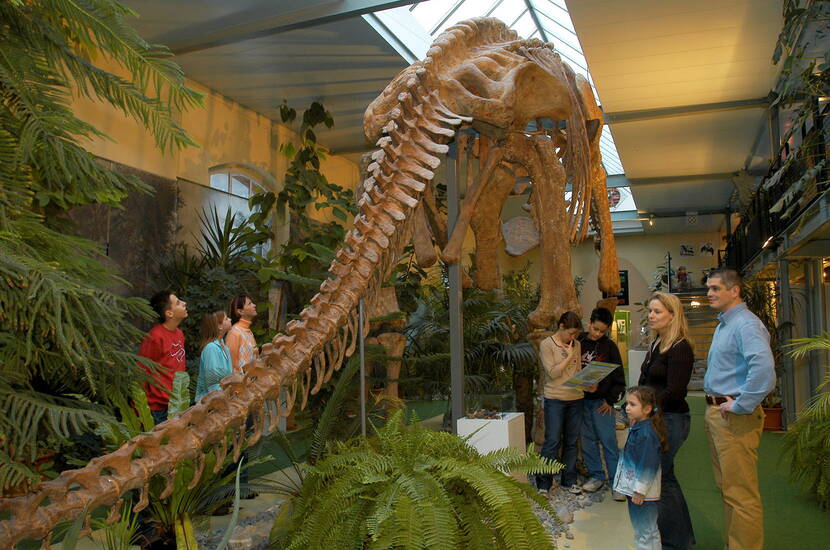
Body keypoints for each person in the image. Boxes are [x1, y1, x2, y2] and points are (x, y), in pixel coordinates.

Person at [705, 268, 775, 550]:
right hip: (719, 415)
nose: (709, 293)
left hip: (733, 417)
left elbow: (764, 371)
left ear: (734, 290)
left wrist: (742, 404)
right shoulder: (725, 324)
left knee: (741, 494)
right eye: (708, 288)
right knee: (728, 490)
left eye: (715, 289)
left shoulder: (746, 324)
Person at [639, 292, 696, 549]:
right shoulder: (656, 344)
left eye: (657, 311)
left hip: (671, 419)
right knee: (666, 477)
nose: (651, 315)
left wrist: (646, 409)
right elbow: (645, 383)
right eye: (650, 311)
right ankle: (681, 539)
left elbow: (675, 391)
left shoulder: (680, 346)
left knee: (661, 478)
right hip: (655, 418)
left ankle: (674, 542)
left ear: (672, 315)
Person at [578, 307, 626, 500]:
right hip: (580, 402)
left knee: (609, 442)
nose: (597, 333)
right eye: (595, 328)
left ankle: (617, 483)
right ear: (589, 322)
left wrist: (610, 400)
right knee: (587, 441)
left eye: (602, 331)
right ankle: (596, 476)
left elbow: (619, 379)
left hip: (602, 403)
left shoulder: (610, 347)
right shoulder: (578, 341)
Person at [614, 386, 667, 550]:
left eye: (632, 404)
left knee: (647, 531)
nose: (627, 408)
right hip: (635, 491)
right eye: (627, 403)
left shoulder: (646, 434)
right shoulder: (638, 428)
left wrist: (639, 490)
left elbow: (648, 465)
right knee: (641, 530)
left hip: (642, 494)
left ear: (647, 409)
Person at [538, 311, 584, 494]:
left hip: (576, 398)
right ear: (561, 327)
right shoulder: (547, 344)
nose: (573, 337)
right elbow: (553, 373)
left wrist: (587, 382)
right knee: (552, 441)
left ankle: (569, 480)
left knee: (572, 442)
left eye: (576, 334)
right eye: (571, 333)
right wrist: (569, 355)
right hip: (555, 399)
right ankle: (543, 482)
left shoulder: (577, 344)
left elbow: (577, 371)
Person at [139, 291, 188, 425]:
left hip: (177, 402)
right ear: (169, 313)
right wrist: (138, 407)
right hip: (158, 408)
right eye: (178, 303)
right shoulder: (154, 337)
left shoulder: (179, 334)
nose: (184, 303)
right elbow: (142, 370)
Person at [195, 311, 233, 401]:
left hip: (223, 400)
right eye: (226, 319)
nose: (230, 319)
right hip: (210, 404)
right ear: (219, 326)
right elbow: (213, 383)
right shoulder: (211, 348)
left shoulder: (225, 348)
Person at [226, 294, 258, 373]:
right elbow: (229, 365)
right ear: (240, 311)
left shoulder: (248, 332)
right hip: (240, 383)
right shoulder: (234, 333)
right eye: (249, 303)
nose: (254, 305)